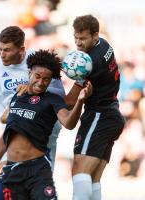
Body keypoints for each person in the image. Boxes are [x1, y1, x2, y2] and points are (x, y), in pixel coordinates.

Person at [0, 49, 92, 200]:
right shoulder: (18, 96)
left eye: (46, 79)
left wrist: (80, 101)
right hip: (11, 170)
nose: (41, 82)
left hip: (36, 170)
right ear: (29, 73)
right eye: (37, 76)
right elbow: (6, 135)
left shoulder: (52, 100)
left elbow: (69, 123)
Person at [0, 26, 65, 200]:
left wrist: (31, 90)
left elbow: (58, 97)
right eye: (0, 49)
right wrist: (3, 116)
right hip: (14, 128)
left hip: (43, 134)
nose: (2, 54)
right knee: (5, 186)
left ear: (21, 49)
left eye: (7, 50)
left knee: (36, 188)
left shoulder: (40, 63)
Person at [70, 14, 125, 200]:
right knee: (93, 178)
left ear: (95, 35)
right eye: (75, 37)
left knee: (79, 169)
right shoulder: (104, 44)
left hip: (99, 116)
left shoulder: (88, 62)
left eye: (82, 38)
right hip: (111, 113)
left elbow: (70, 101)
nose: (78, 42)